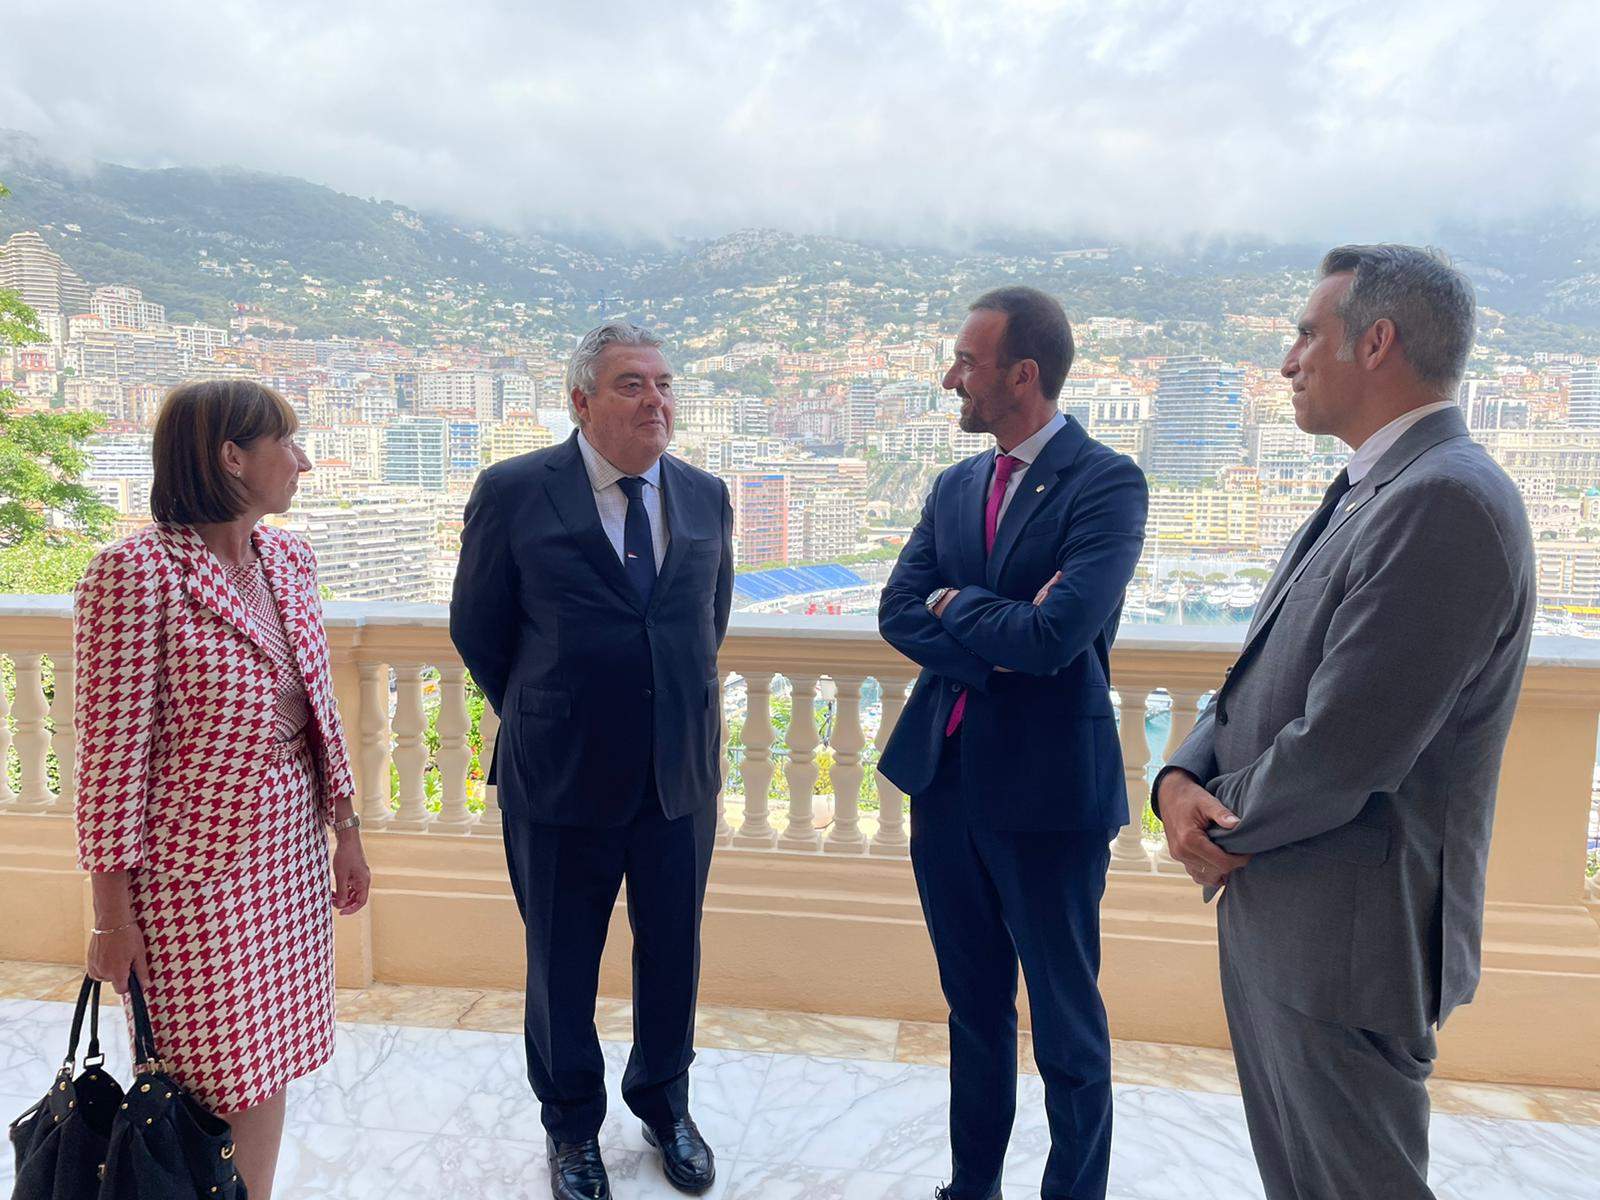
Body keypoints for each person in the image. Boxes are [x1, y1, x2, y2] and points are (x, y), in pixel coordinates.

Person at [1154, 245, 1536, 1200]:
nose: (1288, 360)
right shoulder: (1376, 484)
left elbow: (1344, 749)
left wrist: (1216, 815)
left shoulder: (1443, 499)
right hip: (1290, 917)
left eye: (1305, 334)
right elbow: (1261, 674)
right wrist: (1179, 778)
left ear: (1377, 343)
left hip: (1346, 944)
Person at [450, 321, 733, 1200]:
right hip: (559, 773)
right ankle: (570, 1125)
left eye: (664, 383)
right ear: (580, 401)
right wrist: (547, 711)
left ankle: (664, 1103)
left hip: (678, 776)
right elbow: (479, 627)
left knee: (673, 955)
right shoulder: (513, 491)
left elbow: (703, 623)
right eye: (631, 385)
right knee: (561, 963)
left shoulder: (706, 494)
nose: (656, 400)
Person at [878, 287, 1149, 1200]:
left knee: (1068, 1028)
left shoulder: (1106, 482)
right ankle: (972, 1189)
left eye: (966, 361)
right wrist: (997, 636)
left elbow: (1059, 637)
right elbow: (897, 611)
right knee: (974, 1013)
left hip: (1048, 798)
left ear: (1021, 375)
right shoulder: (955, 484)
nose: (951, 376)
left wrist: (963, 610)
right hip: (944, 784)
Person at [75, 379, 371, 1200]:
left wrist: (345, 829)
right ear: (230, 456)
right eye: (289, 443)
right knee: (201, 1078)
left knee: (268, 1056)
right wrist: (110, 917)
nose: (304, 462)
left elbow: (317, 707)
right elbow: (110, 763)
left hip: (287, 858)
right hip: (190, 883)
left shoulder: (288, 558)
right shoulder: (134, 576)